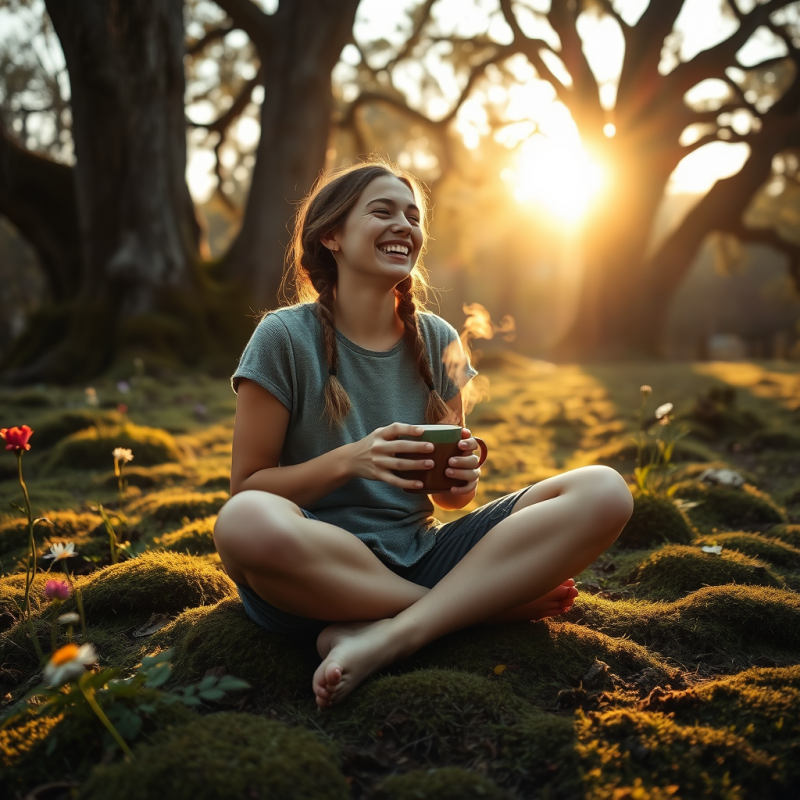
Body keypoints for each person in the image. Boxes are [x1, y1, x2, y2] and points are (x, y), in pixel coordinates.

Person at [213, 158, 633, 710]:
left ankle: (390, 632)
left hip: (421, 550)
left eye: (413, 217)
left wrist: (461, 480)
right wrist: (351, 461)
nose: (404, 226)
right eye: (382, 211)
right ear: (331, 236)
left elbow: (448, 498)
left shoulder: (439, 340)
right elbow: (248, 486)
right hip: (312, 570)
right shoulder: (282, 336)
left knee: (604, 490)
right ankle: (475, 607)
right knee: (242, 523)